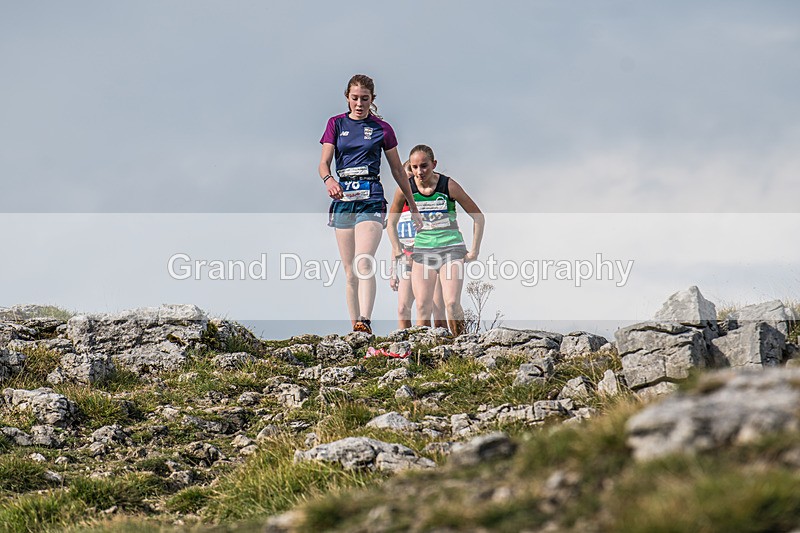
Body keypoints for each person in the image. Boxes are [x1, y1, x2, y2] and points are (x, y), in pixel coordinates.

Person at [318, 74, 422, 335]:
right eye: (355, 98)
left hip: (371, 196)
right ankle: (355, 328)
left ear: (372, 100)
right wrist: (329, 179)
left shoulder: (381, 129)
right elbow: (323, 163)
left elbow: (398, 169)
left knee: (364, 261)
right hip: (343, 198)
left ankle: (365, 319)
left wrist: (413, 205)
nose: (359, 103)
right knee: (349, 269)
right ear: (347, 98)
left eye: (365, 99)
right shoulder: (335, 123)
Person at [404, 144, 484, 336]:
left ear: (434, 164)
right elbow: (391, 222)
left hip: (451, 248)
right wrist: (399, 249)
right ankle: (420, 353)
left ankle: (462, 344)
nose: (419, 171)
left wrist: (474, 250)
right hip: (423, 251)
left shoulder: (448, 185)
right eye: (415, 167)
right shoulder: (407, 188)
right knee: (423, 305)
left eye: (424, 166)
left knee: (451, 303)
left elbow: (478, 217)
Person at [387, 161, 447, 330]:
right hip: (408, 265)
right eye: (403, 182)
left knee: (436, 310)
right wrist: (393, 272)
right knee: (402, 308)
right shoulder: (400, 205)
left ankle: (445, 346)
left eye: (409, 181)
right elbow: (396, 241)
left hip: (430, 263)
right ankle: (404, 344)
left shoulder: (426, 202)